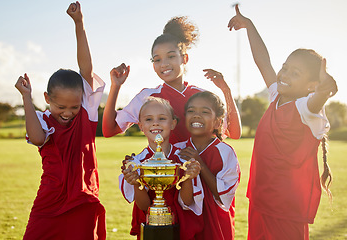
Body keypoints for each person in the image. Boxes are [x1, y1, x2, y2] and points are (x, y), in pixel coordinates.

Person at [228, 5, 338, 240]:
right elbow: (263, 62)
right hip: (261, 199)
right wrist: (249, 25)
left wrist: (324, 90)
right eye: (285, 68)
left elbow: (316, 101)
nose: (285, 75)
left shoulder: (305, 109)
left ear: (311, 85)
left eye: (295, 73)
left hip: (287, 209)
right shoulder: (276, 96)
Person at [15, 2, 106, 239]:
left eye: (74, 107)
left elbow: (86, 69)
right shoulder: (42, 119)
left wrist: (79, 23)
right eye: (60, 106)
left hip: (83, 198)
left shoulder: (86, 112)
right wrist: (26, 97)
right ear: (47, 98)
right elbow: (36, 139)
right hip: (49, 200)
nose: (67, 112)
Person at [102, 16, 242, 144]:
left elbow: (234, 133)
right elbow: (109, 130)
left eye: (171, 56)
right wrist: (115, 86)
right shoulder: (146, 97)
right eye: (157, 59)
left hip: (197, 171)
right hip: (162, 170)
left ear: (184, 58)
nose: (164, 64)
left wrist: (226, 91)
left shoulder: (202, 96)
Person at [119, 97, 204, 240]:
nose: (155, 123)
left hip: (181, 225)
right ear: (141, 126)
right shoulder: (136, 162)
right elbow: (144, 206)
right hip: (151, 226)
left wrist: (189, 177)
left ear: (173, 123)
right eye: (149, 119)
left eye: (162, 118)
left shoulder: (183, 159)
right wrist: (135, 183)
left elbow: (187, 202)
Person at [176, 91, 241, 239]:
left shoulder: (225, 152)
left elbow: (224, 195)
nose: (196, 115)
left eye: (205, 112)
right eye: (191, 111)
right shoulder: (178, 150)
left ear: (218, 122)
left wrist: (201, 165)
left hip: (216, 226)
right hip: (185, 225)